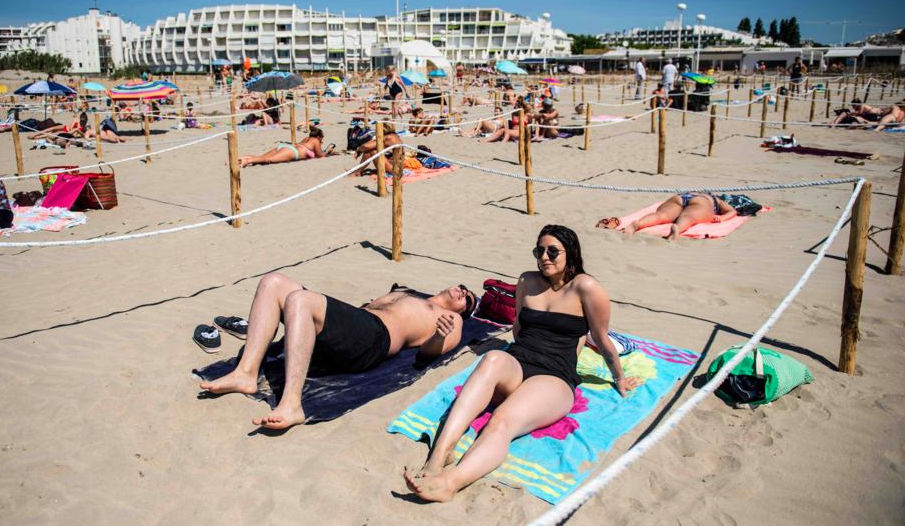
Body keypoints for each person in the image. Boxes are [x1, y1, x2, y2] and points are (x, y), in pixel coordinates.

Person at [402, 225, 642, 502]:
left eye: (553, 251)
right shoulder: (527, 281)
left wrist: (620, 379)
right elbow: (518, 328)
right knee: (492, 358)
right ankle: (439, 455)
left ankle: (449, 484)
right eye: (539, 251)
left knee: (501, 420)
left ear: (571, 253)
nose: (545, 257)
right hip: (518, 361)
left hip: (554, 376)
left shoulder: (586, 287)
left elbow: (601, 339)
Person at [198, 273, 477, 429]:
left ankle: (292, 403)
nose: (462, 292)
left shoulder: (450, 321)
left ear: (464, 311)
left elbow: (428, 355)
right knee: (272, 283)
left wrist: (438, 338)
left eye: (468, 298)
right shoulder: (408, 293)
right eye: (463, 287)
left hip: (373, 339)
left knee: (300, 300)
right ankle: (246, 373)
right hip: (352, 330)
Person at [622, 193, 737, 240]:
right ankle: (677, 228)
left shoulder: (703, 193)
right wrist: (722, 218)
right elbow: (732, 211)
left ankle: (638, 224)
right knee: (688, 217)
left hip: (681, 197)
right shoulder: (718, 200)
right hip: (702, 201)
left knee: (661, 215)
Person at [239, 126, 332, 167]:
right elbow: (320, 155)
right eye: (322, 138)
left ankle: (241, 159)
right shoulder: (316, 141)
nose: (322, 140)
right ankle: (247, 161)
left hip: (286, 147)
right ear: (319, 136)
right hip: (292, 152)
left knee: (263, 157)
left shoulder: (307, 138)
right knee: (268, 160)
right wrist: (327, 151)